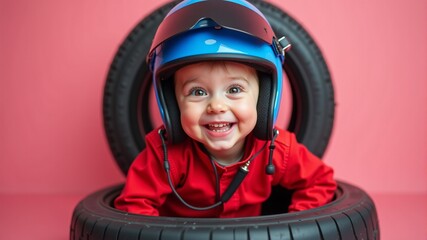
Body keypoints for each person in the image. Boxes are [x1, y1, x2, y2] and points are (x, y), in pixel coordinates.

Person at [114, 0, 337, 218]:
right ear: (171, 103)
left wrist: (294, 227)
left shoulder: (277, 150)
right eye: (198, 92)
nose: (217, 106)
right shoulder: (163, 153)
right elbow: (133, 207)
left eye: (234, 89)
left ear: (264, 98)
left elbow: (321, 182)